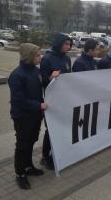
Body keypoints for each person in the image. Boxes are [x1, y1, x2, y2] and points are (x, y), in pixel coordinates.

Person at [8, 43, 47, 190]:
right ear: (29, 57)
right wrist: (39, 105)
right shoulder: (17, 75)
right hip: (23, 117)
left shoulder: (35, 71)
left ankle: (29, 166)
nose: (40, 57)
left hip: (35, 115)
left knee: (31, 141)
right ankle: (20, 174)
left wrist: (52, 77)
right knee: (22, 145)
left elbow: (43, 82)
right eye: (37, 55)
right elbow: (19, 100)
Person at [39, 33, 72, 170]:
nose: (68, 46)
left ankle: (58, 151)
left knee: (62, 125)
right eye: (66, 44)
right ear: (59, 43)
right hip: (51, 100)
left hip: (64, 99)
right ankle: (45, 156)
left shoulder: (67, 59)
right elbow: (42, 80)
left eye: (70, 44)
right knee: (51, 128)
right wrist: (50, 77)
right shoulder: (47, 58)